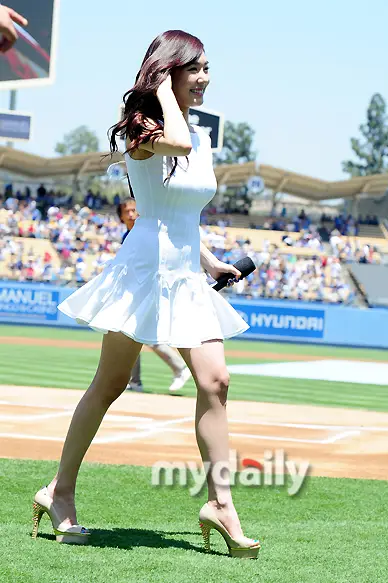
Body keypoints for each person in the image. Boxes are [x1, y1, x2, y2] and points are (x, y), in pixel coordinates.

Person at [32, 30, 260, 559]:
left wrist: (210, 260)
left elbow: (184, 211)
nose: (206, 78)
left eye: (207, 68)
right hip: (143, 271)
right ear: (168, 72)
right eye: (196, 68)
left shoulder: (197, 134)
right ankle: (59, 491)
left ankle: (220, 504)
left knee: (217, 380)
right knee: (109, 384)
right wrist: (158, 94)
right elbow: (173, 150)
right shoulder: (146, 131)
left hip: (184, 270)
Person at [117, 196, 192, 393]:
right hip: (135, 293)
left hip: (151, 291)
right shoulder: (127, 237)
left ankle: (179, 368)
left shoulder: (149, 232)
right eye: (127, 211)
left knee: (146, 336)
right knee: (130, 335)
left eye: (134, 210)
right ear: (121, 217)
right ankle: (135, 381)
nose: (132, 214)